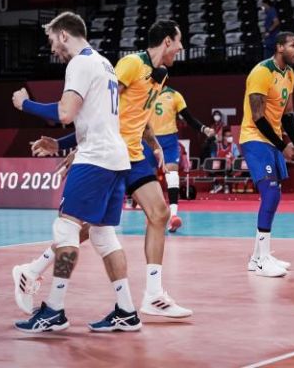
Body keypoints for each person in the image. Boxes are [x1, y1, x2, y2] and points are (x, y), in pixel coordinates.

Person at [12, 20, 192, 321]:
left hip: (130, 153)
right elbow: (102, 109)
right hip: (109, 151)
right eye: (179, 41)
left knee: (155, 215)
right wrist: (74, 146)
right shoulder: (131, 64)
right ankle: (34, 272)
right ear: (167, 41)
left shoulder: (159, 75)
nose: (182, 48)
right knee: (86, 228)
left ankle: (153, 295)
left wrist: (154, 143)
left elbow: (137, 113)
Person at [10, 12, 140, 333]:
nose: (52, 47)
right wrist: (60, 143)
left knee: (66, 231)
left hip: (95, 159)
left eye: (52, 39)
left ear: (64, 35)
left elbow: (65, 112)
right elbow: (92, 119)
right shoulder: (104, 63)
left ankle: (54, 309)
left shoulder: (79, 63)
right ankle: (127, 310)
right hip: (114, 157)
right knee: (102, 235)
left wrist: (25, 104)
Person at [240, 31, 294, 277]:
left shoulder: (289, 74)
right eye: (293, 45)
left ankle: (259, 256)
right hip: (255, 138)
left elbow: (287, 114)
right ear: (279, 47)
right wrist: (283, 145)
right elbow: (257, 117)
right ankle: (261, 261)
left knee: (274, 195)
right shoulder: (261, 72)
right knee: (269, 194)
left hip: (271, 139)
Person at [142, 87, 215, 232]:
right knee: (148, 179)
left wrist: (204, 129)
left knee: (172, 176)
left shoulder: (174, 95)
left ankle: (173, 216)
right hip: (149, 139)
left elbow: (188, 118)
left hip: (169, 140)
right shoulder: (143, 92)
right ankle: (152, 214)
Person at [211, 125, 241, 193]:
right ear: (223, 137)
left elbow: (237, 158)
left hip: (230, 167)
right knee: (210, 166)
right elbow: (212, 158)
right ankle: (217, 185)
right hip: (218, 167)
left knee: (228, 165)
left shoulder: (234, 146)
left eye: (231, 135)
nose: (230, 137)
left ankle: (226, 186)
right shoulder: (217, 145)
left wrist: (232, 160)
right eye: (228, 136)